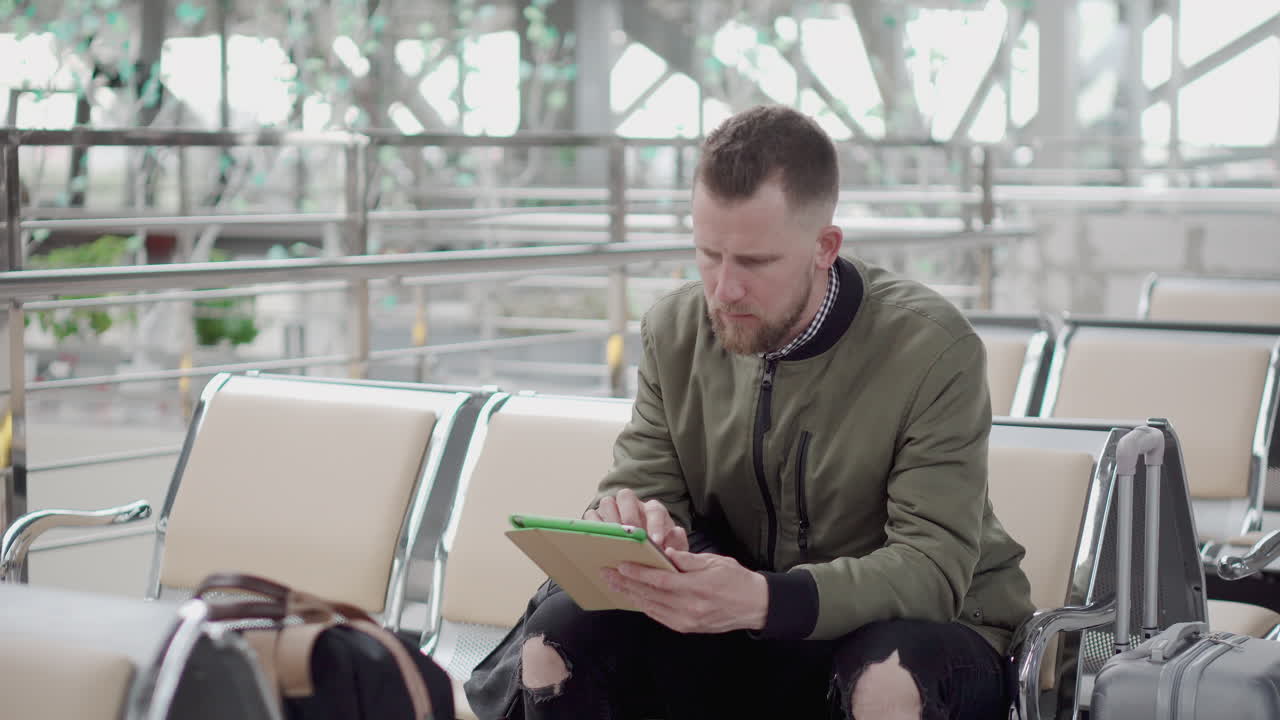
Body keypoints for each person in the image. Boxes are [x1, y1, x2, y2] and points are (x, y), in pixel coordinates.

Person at [465, 105, 1035, 720]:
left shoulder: (932, 349)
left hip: (926, 630)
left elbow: (930, 571)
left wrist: (765, 599)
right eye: (709, 255)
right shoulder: (674, 330)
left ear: (825, 247)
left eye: (755, 263)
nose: (724, 289)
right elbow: (647, 484)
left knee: (889, 677)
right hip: (735, 618)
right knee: (560, 640)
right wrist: (633, 522)